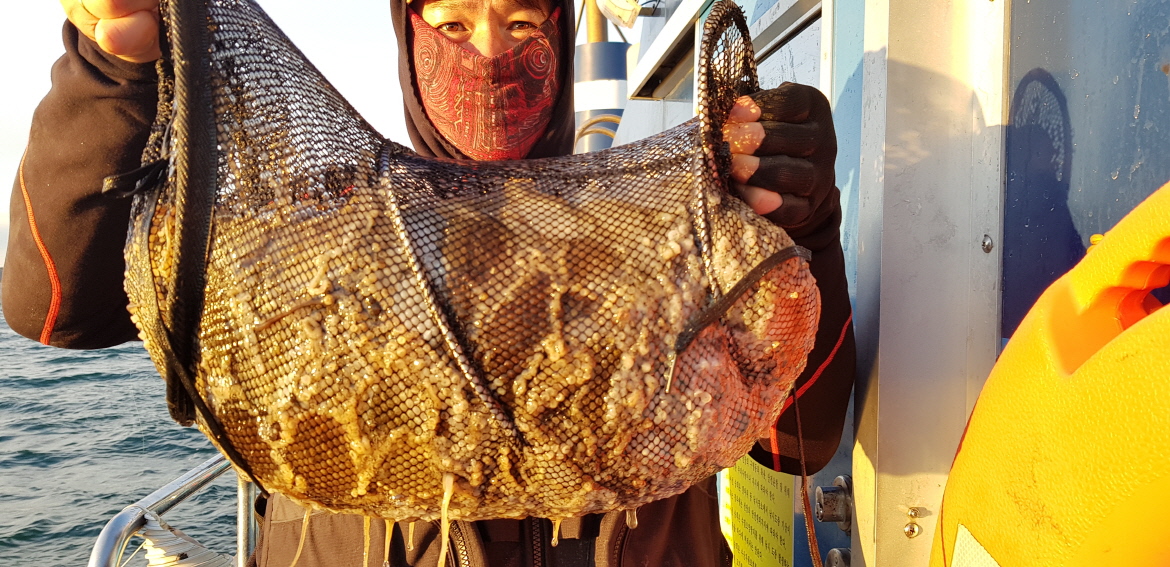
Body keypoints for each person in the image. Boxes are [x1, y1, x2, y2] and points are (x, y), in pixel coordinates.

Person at [3, 0, 855, 565]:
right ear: (409, 40)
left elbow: (800, 444)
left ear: (558, 37)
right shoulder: (313, 221)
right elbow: (52, 310)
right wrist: (111, 71)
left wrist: (807, 229)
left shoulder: (670, 228)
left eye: (521, 21)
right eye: (451, 21)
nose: (488, 54)